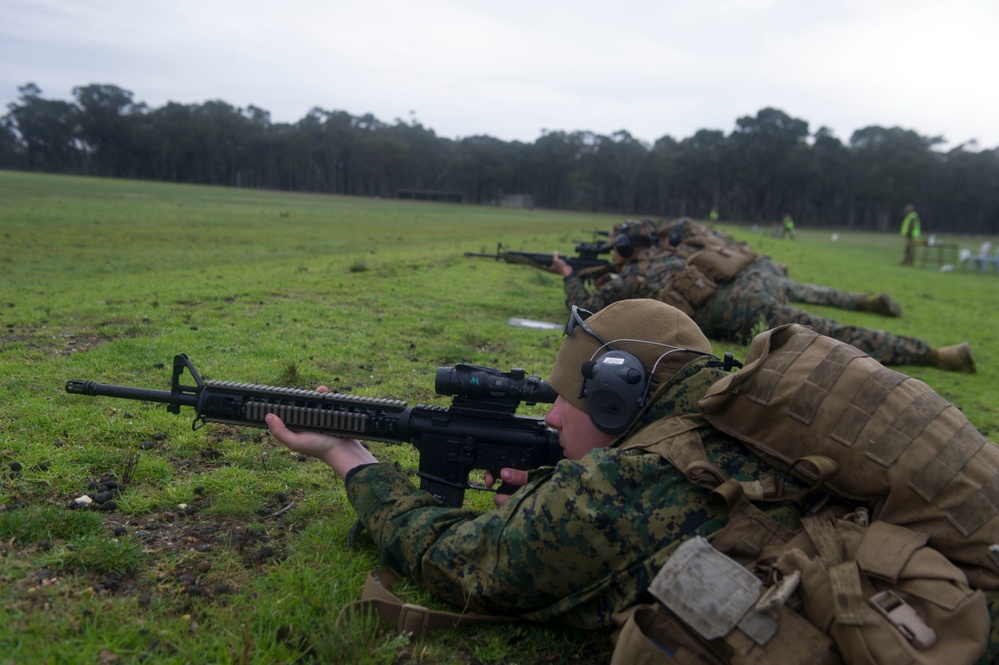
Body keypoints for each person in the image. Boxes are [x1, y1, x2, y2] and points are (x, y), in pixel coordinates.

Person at [265, 299, 808, 629]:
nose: (549, 416)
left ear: (616, 401)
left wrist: (350, 457)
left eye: (567, 397)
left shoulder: (612, 493)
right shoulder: (734, 420)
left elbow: (457, 562)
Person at [553, 220, 976, 372]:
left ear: (626, 250)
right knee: (810, 304)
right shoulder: (671, 251)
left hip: (739, 305)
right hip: (750, 279)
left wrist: (569, 274)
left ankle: (936, 356)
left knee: (826, 335)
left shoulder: (632, 276)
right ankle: (871, 305)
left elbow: (590, 307)